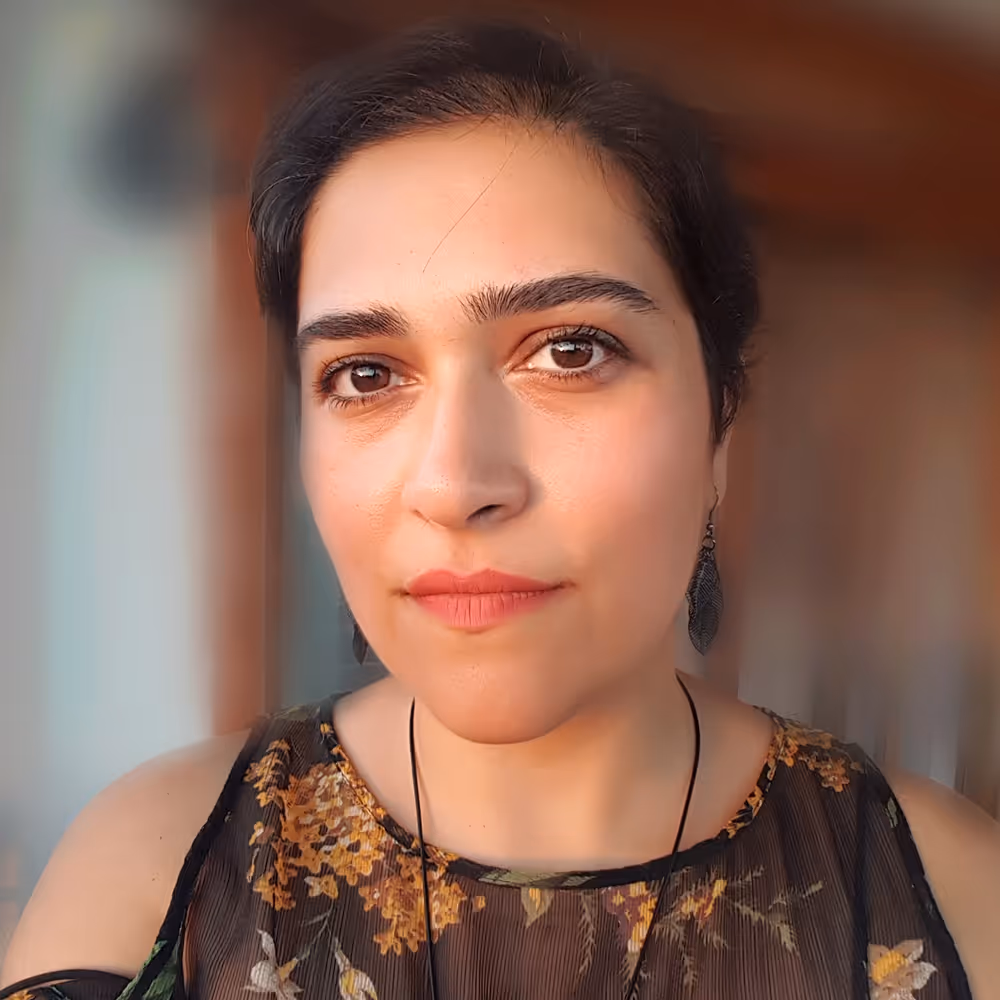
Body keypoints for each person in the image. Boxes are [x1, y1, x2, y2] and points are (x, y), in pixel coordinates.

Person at [3, 17, 999, 1000]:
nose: (453, 482)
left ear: (718, 429)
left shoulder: (942, 890)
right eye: (365, 373)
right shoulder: (160, 869)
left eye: (571, 351)